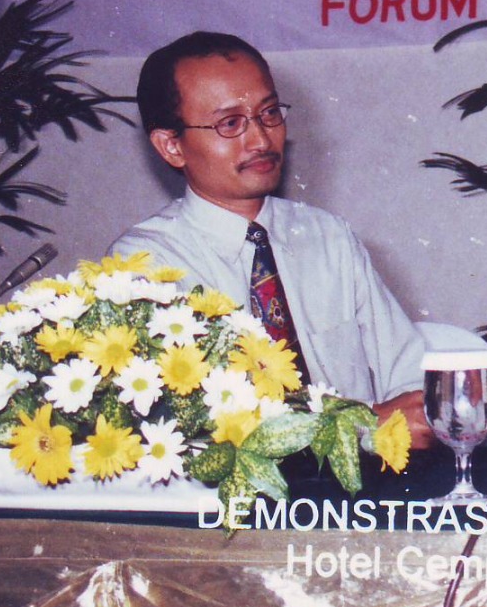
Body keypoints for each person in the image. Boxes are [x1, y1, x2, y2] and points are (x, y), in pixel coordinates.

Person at [109, 31, 433, 444]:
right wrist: (362, 426)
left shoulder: (328, 237)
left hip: (363, 480)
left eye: (269, 113)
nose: (261, 139)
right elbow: (200, 431)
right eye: (230, 123)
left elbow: (410, 376)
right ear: (172, 146)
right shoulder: (144, 265)